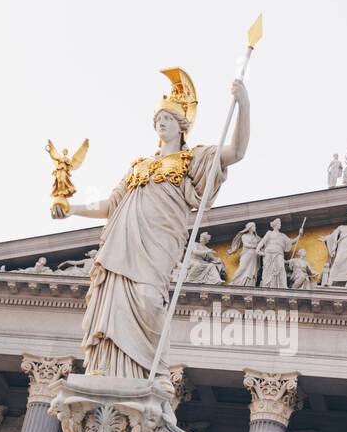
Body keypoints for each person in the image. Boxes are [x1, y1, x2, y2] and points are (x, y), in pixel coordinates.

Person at [53, 71, 250, 378]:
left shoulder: (192, 160)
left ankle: (152, 374)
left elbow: (235, 152)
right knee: (113, 304)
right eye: (158, 118)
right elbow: (109, 205)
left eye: (168, 118)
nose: (161, 123)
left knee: (148, 301)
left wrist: (243, 104)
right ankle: (105, 370)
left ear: (182, 125)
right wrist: (71, 209)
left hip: (157, 244)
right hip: (122, 244)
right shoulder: (138, 166)